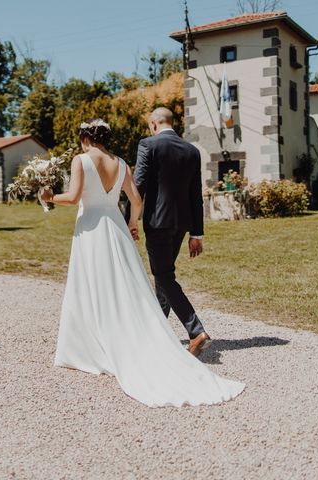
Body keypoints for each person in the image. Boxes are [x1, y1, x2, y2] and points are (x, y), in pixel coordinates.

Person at [41, 118, 244, 407]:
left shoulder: (81, 160)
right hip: (116, 227)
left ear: (86, 137)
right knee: (123, 286)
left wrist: (49, 197)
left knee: (91, 284)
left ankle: (89, 346)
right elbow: (136, 199)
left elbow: (73, 198)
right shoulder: (121, 163)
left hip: (90, 228)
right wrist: (132, 224)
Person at [130, 107, 211, 357]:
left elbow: (138, 186)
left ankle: (196, 330)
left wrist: (129, 221)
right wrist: (196, 233)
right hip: (182, 223)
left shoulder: (148, 145)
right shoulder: (192, 151)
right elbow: (195, 195)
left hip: (157, 222)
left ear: (153, 124)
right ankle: (158, 329)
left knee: (163, 275)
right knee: (164, 273)